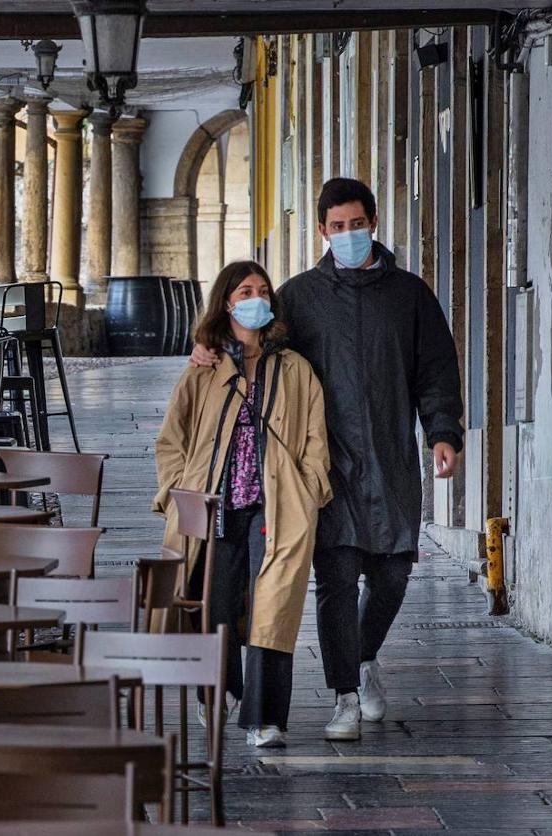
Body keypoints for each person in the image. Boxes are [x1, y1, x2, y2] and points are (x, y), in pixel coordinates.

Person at [190, 178, 464, 741]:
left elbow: (436, 370)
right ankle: (344, 693)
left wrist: (443, 432)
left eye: (356, 224)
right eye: (337, 227)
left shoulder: (410, 296)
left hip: (390, 460)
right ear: (322, 231)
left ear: (373, 223)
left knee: (391, 573)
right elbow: (253, 346)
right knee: (335, 576)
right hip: (320, 461)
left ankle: (363, 659)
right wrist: (209, 346)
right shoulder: (299, 296)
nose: (348, 235)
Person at [155, 260, 332, 748]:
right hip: (211, 505)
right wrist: (176, 493)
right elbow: (172, 439)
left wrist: (310, 487)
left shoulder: (295, 368)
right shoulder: (204, 367)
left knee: (270, 608)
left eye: (263, 289)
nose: (256, 297)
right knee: (213, 605)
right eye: (245, 290)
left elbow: (316, 438)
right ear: (226, 302)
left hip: (276, 507)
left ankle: (265, 718)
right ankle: (221, 693)